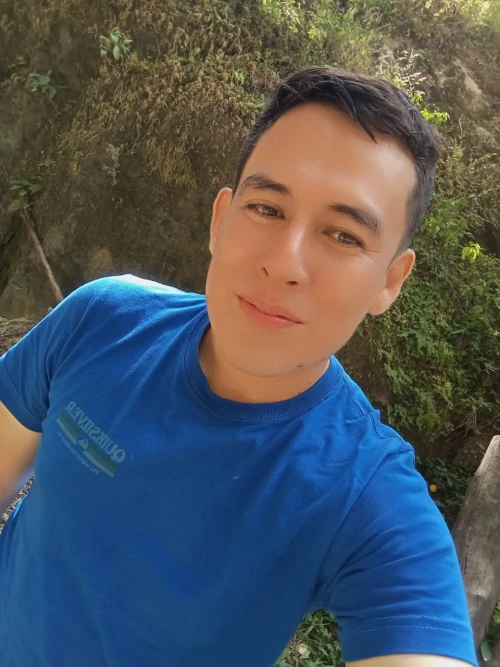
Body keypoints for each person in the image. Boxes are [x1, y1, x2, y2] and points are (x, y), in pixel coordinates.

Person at [0, 67, 478, 667]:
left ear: (389, 280)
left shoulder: (366, 494)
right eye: (267, 208)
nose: (285, 263)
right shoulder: (101, 321)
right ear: (220, 219)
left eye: (343, 235)